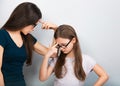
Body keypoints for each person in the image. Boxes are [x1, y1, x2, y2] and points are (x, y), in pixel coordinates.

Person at [0, 2, 57, 86]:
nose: (33, 29)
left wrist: (56, 29)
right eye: (34, 25)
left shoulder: (27, 38)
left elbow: (51, 53)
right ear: (24, 21)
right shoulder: (2, 35)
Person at [39, 24, 109, 86]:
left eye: (64, 45)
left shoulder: (86, 59)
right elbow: (42, 78)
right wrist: (46, 56)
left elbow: (104, 76)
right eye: (59, 46)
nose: (62, 48)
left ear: (73, 40)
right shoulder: (57, 59)